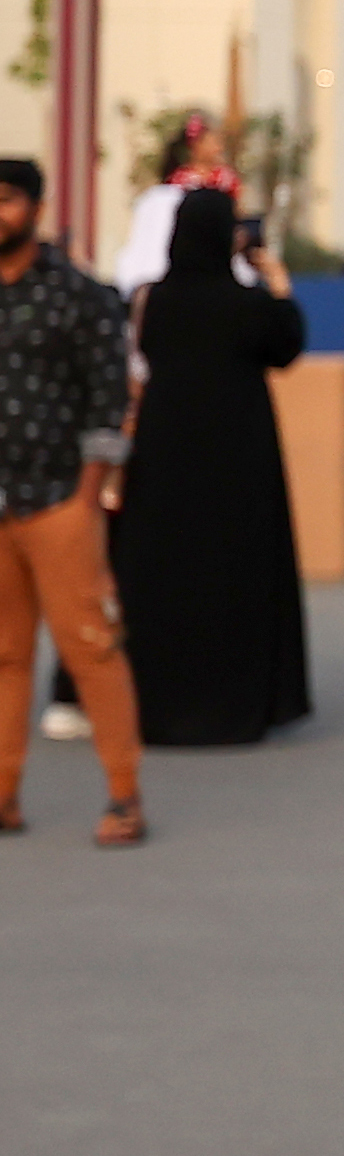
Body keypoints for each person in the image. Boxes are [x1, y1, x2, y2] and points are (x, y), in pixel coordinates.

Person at [99, 187, 313, 749]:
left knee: (164, 575)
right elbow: (287, 344)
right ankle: (236, 706)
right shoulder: (246, 305)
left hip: (165, 455)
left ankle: (158, 707)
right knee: (234, 571)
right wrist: (277, 278)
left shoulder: (153, 302)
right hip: (237, 455)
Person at [0, 156, 143, 843]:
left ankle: (123, 796)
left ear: (34, 206)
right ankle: (4, 794)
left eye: (6, 200)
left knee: (90, 648)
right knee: (5, 656)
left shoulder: (79, 295)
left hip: (60, 499)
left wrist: (90, 497)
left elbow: (109, 397)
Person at [112, 114, 238, 300]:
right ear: (196, 146)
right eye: (212, 142)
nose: (218, 148)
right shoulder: (181, 181)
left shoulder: (226, 179)